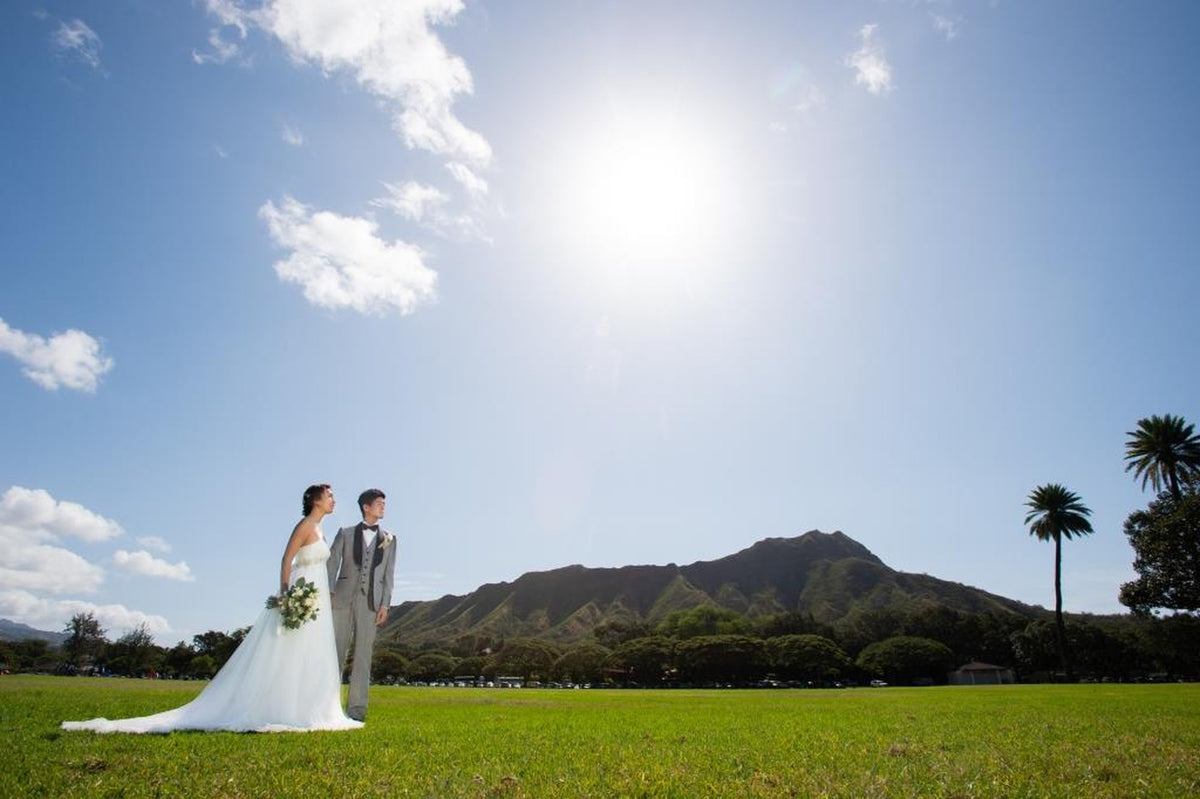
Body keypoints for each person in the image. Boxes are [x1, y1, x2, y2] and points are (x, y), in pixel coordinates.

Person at [61, 484, 363, 734]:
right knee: (284, 648)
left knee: (308, 651)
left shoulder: (322, 530)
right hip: (300, 593)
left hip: (316, 597)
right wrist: (286, 597)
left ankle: (306, 706)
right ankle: (275, 706)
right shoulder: (305, 526)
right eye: (330, 495)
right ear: (315, 499)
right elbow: (286, 560)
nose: (334, 499)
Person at [328, 488, 397, 722]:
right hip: (341, 598)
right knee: (335, 653)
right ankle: (327, 708)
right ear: (366, 507)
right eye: (379, 503)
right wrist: (328, 593)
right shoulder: (345, 533)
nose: (383, 507)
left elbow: (389, 575)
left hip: (371, 603)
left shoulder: (390, 539)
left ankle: (357, 711)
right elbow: (331, 564)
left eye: (384, 504)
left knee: (363, 656)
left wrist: (385, 605)